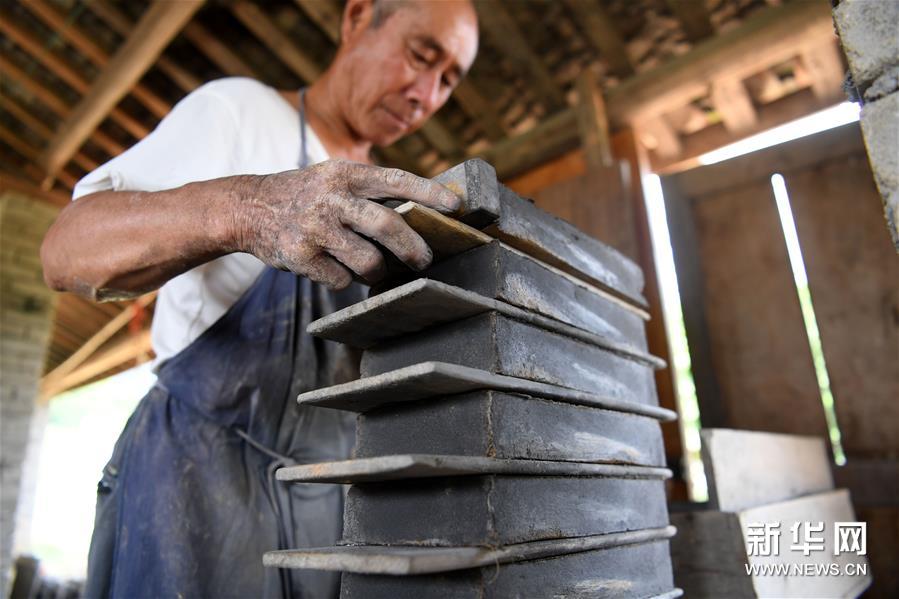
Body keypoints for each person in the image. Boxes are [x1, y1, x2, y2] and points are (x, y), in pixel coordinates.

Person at [39, 0, 479, 597]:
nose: (424, 93)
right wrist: (251, 210)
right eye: (421, 55)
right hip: (197, 490)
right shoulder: (241, 110)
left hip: (326, 512)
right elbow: (67, 252)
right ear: (356, 19)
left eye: (448, 80)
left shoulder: (387, 205)